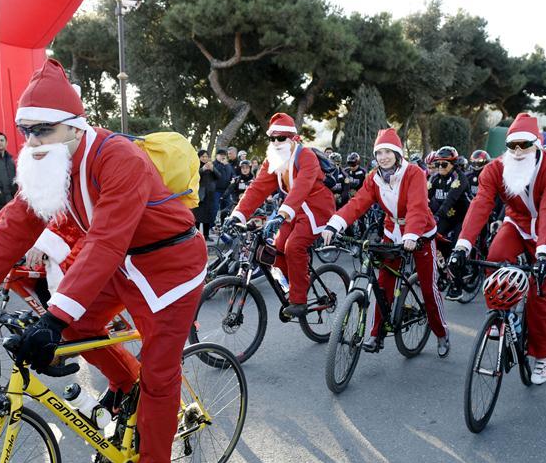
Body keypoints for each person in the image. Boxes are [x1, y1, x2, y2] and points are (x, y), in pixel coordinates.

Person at [0, 58, 206, 463]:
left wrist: (51, 319)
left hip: (169, 267)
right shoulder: (51, 161)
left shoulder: (121, 158)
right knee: (79, 328)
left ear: (75, 128)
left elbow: (103, 241)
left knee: (161, 371)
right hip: (123, 263)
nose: (32, 143)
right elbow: (15, 225)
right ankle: (125, 385)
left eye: (43, 131)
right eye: (26, 132)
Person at [448, 113, 546, 385]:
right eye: (512, 145)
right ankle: (501, 315)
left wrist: (543, 255)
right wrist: (462, 245)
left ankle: (543, 357)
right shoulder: (495, 168)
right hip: (517, 224)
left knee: (540, 293)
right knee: (495, 257)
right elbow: (481, 204)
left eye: (525, 145)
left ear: (536, 144)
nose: (518, 151)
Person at [322, 128, 450, 356]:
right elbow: (357, 203)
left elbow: (418, 207)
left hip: (421, 234)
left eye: (388, 151)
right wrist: (335, 224)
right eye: (379, 152)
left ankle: (441, 333)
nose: (383, 157)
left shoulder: (414, 173)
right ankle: (375, 333)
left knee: (429, 289)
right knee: (383, 284)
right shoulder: (374, 178)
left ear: (398, 153)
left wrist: (412, 235)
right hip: (392, 233)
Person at [224, 112, 336, 318]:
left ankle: (299, 299)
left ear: (293, 137)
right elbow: (257, 189)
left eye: (281, 138)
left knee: (294, 246)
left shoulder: (306, 156)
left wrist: (282, 214)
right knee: (275, 248)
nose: (276, 142)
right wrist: (237, 214)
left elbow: (301, 188)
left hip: (315, 208)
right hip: (292, 211)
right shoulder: (272, 159)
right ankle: (296, 282)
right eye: (272, 138)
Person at [428, 146, 470, 300]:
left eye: (444, 164)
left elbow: (449, 201)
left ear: (453, 164)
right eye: (437, 164)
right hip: (445, 217)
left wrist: (436, 217)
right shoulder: (435, 178)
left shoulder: (459, 178)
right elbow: (425, 196)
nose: (439, 167)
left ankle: (457, 286)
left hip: (462, 217)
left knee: (455, 250)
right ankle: (444, 275)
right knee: (432, 241)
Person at [193, 149, 218, 239]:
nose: (204, 158)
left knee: (208, 216)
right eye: (202, 156)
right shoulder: (196, 165)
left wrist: (213, 169)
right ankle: (196, 235)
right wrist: (202, 169)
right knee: (198, 216)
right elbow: (194, 176)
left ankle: (206, 235)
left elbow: (219, 176)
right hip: (199, 195)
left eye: (206, 156)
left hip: (209, 195)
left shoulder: (211, 165)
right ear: (199, 157)